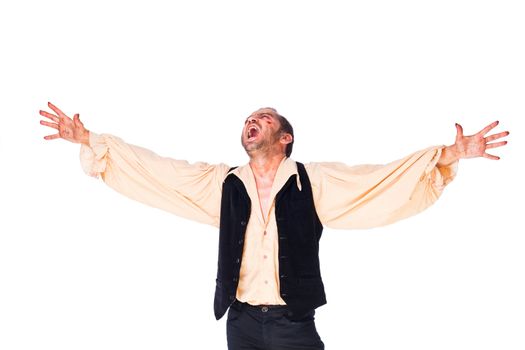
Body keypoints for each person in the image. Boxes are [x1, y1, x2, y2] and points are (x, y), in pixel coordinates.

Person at [39, 102, 509, 350]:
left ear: (284, 137)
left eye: (263, 118)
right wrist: (91, 140)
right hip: (240, 323)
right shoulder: (223, 185)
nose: (252, 121)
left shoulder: (314, 182)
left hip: (291, 325)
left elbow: (377, 180)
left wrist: (447, 155)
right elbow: (159, 171)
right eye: (248, 118)